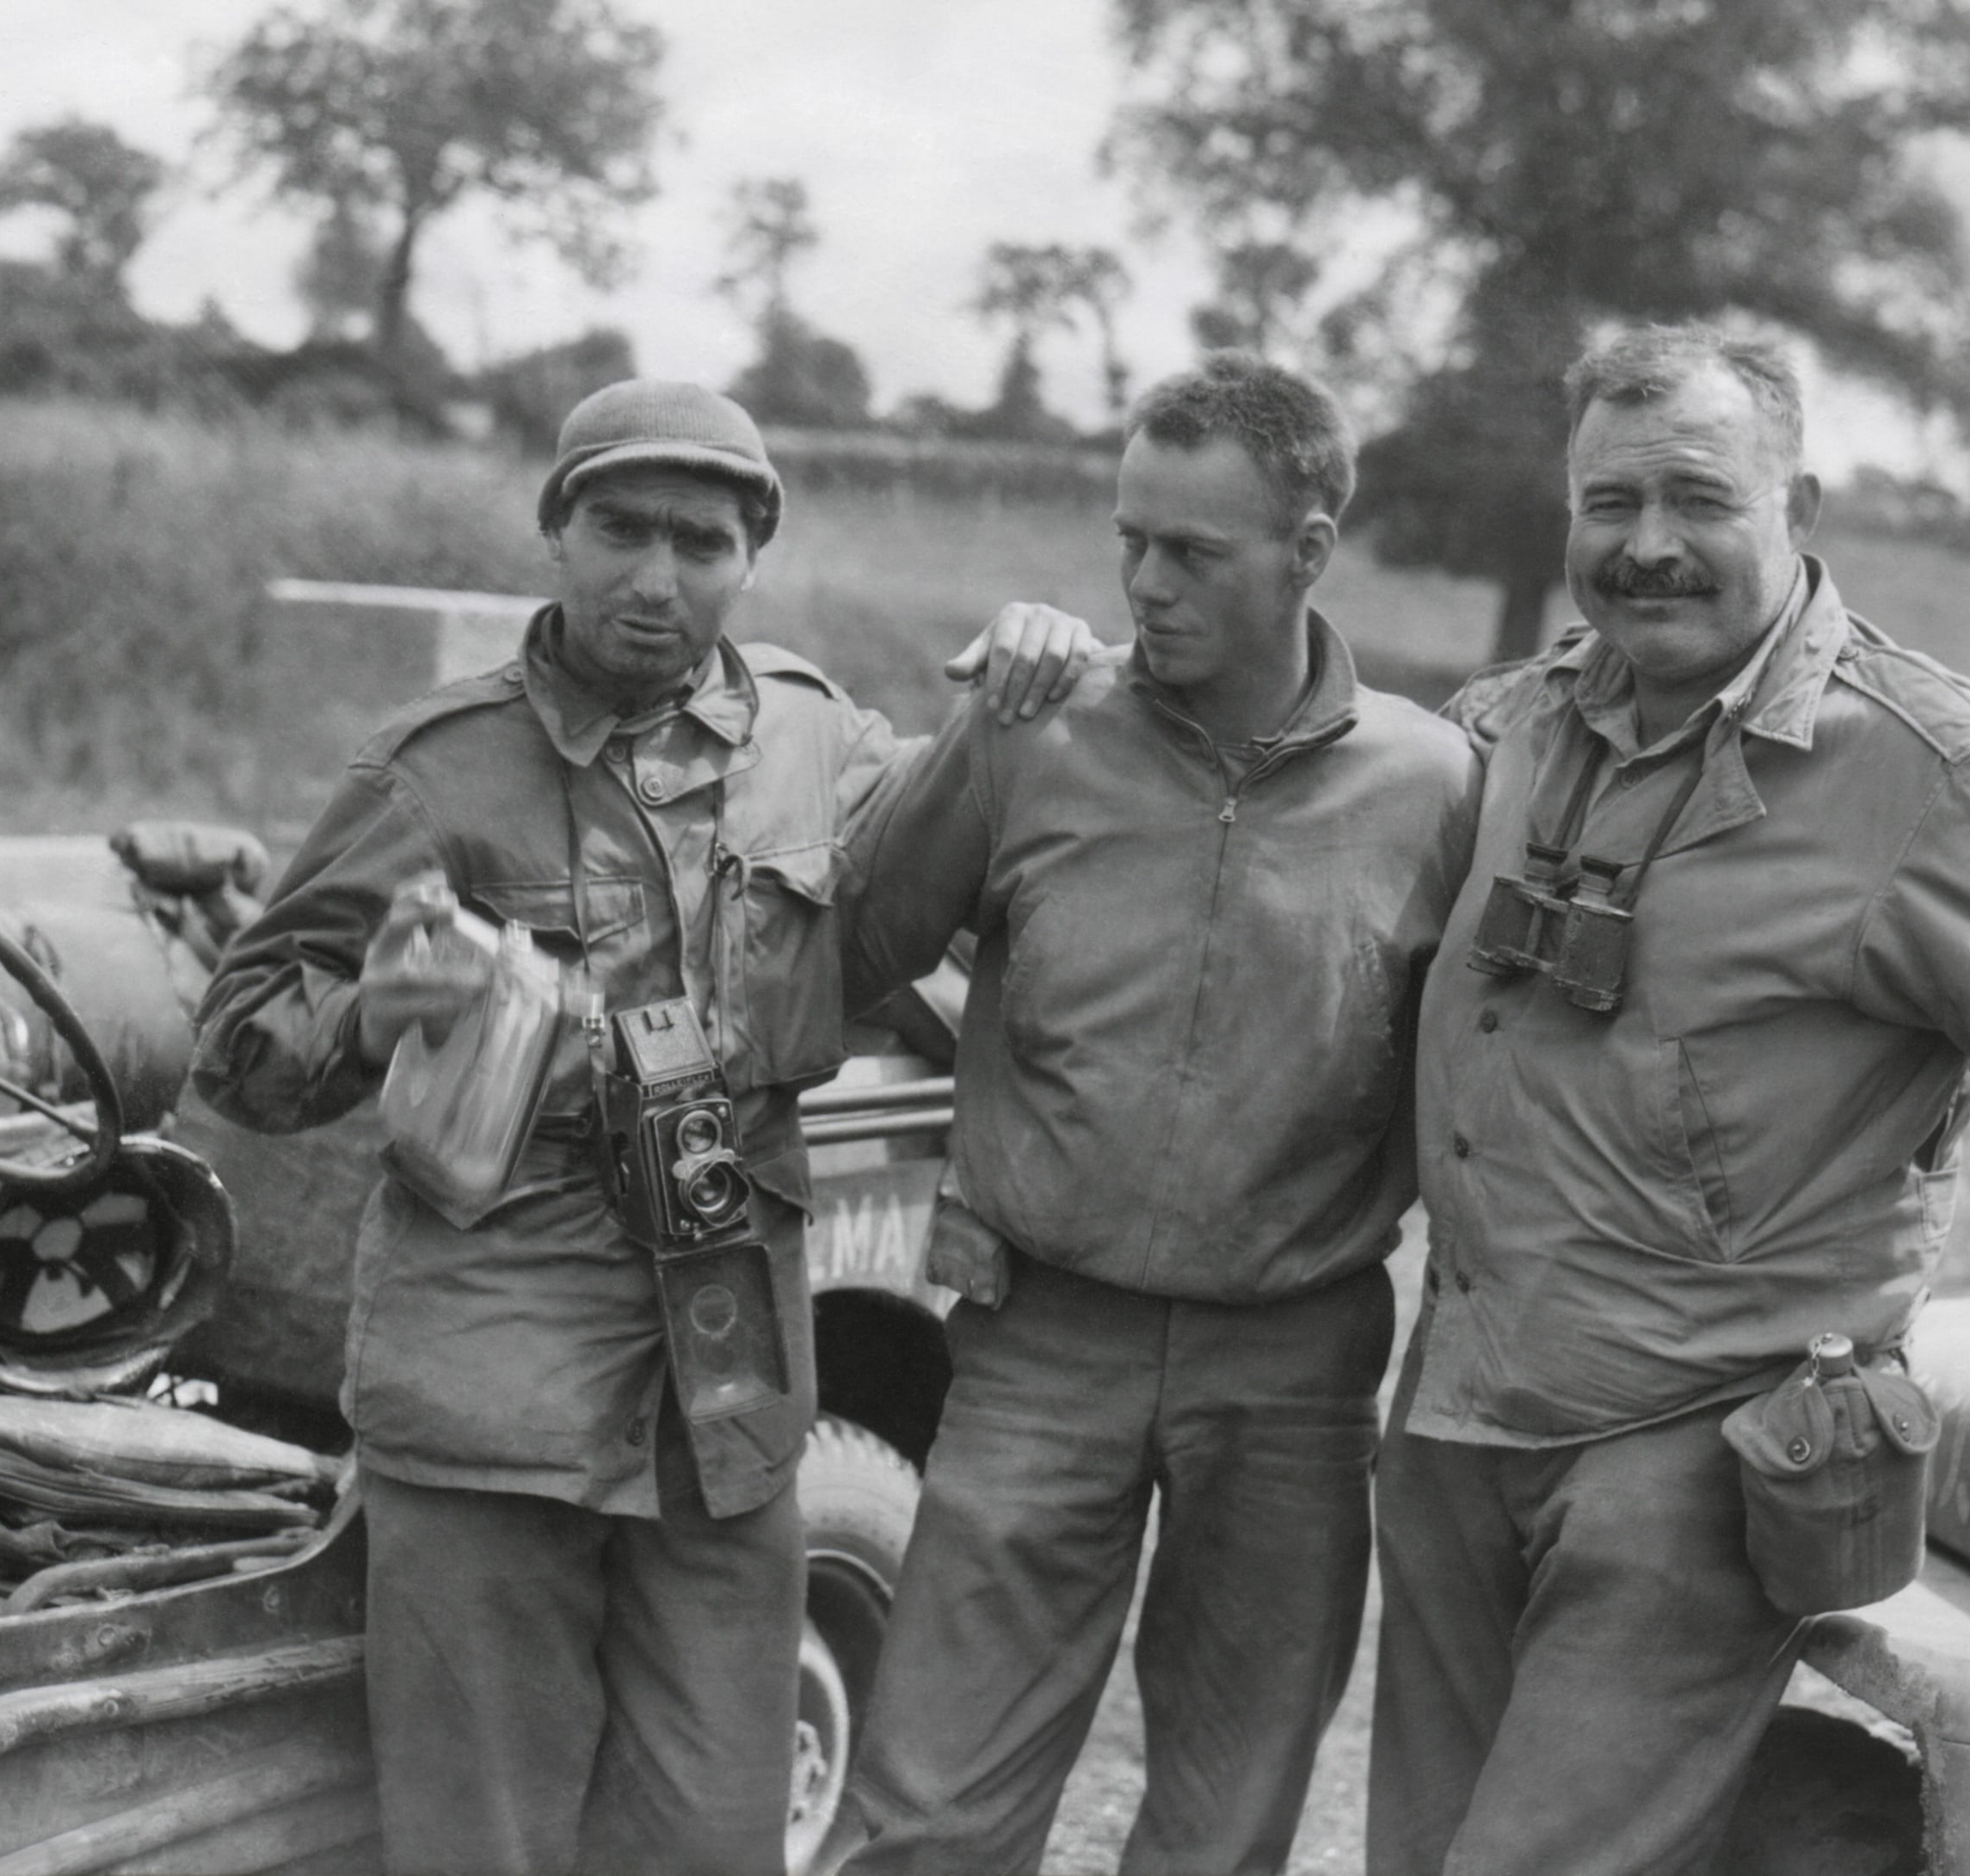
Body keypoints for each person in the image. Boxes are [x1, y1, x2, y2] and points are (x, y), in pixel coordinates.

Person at [1368, 323, 1970, 1876]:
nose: (1648, 545)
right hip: (1460, 1424)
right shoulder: (1515, 726)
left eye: (1699, 498)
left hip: (1694, 1459)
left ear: (1797, 508)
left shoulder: (1922, 776)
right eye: (1609, 505)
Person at [188, 379, 1089, 1876]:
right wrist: (372, 1012)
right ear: (556, 528)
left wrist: (1027, 685)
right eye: (618, 527)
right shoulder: (435, 765)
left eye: (700, 540)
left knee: (711, 1834)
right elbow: (240, 1042)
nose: (654, 577)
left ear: (753, 557)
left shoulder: (818, 741)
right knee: (485, 1841)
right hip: (495, 1380)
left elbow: (970, 882)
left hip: (723, 1398)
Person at [831, 353, 1483, 1876]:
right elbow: (858, 942)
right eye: (1129, 539)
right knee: (929, 1807)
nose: (1143, 582)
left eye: (1192, 551)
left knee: (1227, 1814)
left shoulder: (1439, 785)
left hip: (1294, 1360)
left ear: (1309, 552)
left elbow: (1481, 1073)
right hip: (1039, 1342)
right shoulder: (1032, 729)